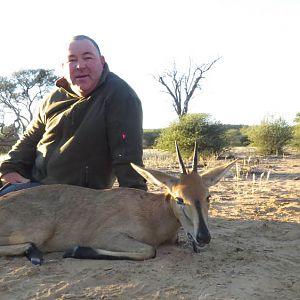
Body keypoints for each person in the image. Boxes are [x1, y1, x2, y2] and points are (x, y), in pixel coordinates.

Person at [0, 35, 147, 196]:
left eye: (87, 57)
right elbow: (28, 141)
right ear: (63, 67)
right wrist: (8, 170)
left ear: (102, 61)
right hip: (34, 188)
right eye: (72, 60)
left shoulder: (120, 95)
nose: (80, 66)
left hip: (76, 200)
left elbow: (128, 159)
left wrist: (136, 198)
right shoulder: (52, 99)